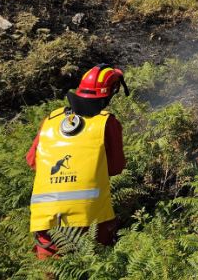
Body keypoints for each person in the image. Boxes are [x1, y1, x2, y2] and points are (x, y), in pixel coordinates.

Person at [26, 65, 128, 258]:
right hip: (91, 219)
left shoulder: (50, 120)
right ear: (109, 94)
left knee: (53, 273)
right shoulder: (107, 122)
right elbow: (115, 168)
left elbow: (33, 162)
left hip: (46, 221)